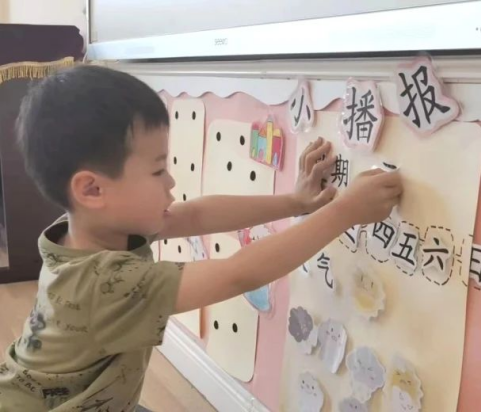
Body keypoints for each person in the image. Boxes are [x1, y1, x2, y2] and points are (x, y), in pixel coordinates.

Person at [0, 66, 402, 412]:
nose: (171, 182)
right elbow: (237, 274)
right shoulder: (105, 284)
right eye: (158, 170)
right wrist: (345, 211)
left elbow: (195, 214)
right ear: (92, 189)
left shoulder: (91, 227)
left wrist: (295, 202)